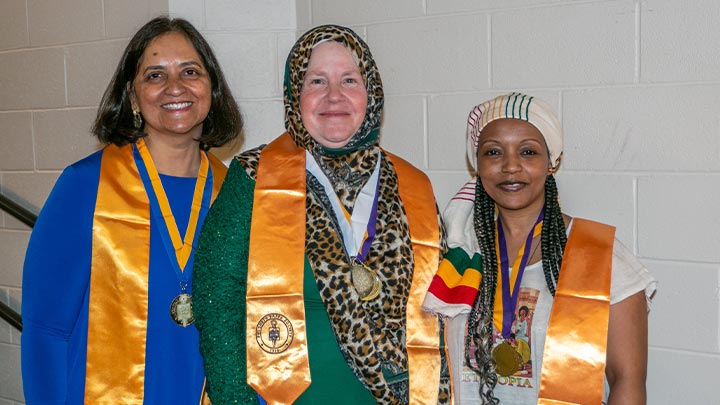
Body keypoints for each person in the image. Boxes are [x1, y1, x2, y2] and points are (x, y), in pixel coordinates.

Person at [192, 25, 450, 404]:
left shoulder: (413, 187)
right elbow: (216, 297)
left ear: (371, 92)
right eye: (316, 81)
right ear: (295, 95)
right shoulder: (253, 177)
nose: (334, 95)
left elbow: (439, 313)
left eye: (349, 79)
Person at [21, 16, 241, 404]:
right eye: (155, 75)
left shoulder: (235, 194)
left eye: (191, 71)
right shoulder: (87, 186)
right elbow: (46, 330)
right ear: (133, 96)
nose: (175, 87)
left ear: (212, 88)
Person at [423, 93, 656, 404]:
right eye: (493, 152)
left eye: (528, 152)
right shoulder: (454, 253)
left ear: (552, 161)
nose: (510, 166)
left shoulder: (602, 257)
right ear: (476, 164)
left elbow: (626, 381)